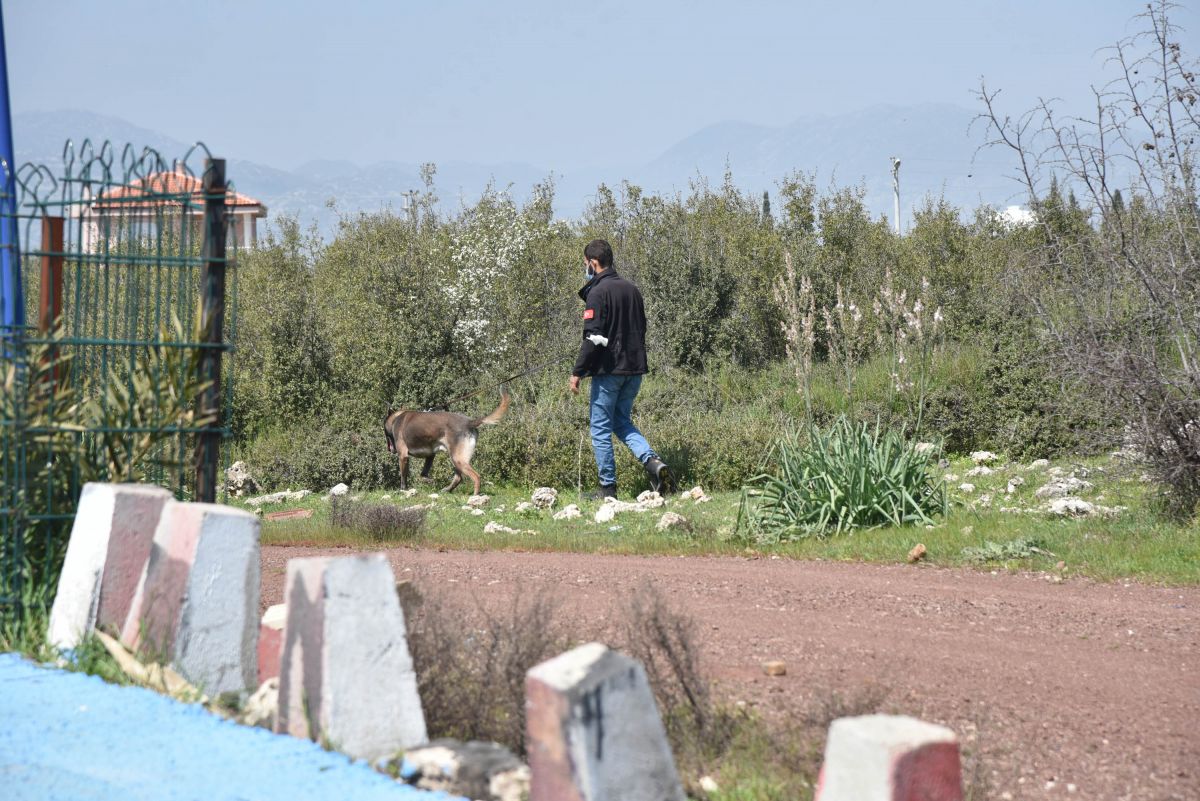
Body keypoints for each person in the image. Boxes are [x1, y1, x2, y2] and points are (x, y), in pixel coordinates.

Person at [569, 238, 674, 499]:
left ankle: (608, 490)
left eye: (586, 265)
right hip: (635, 370)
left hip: (610, 372)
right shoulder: (632, 290)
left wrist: (578, 372)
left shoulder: (597, 292)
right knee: (621, 421)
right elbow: (640, 329)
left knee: (600, 428)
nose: (586, 269)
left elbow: (593, 338)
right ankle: (652, 462)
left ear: (593, 264)